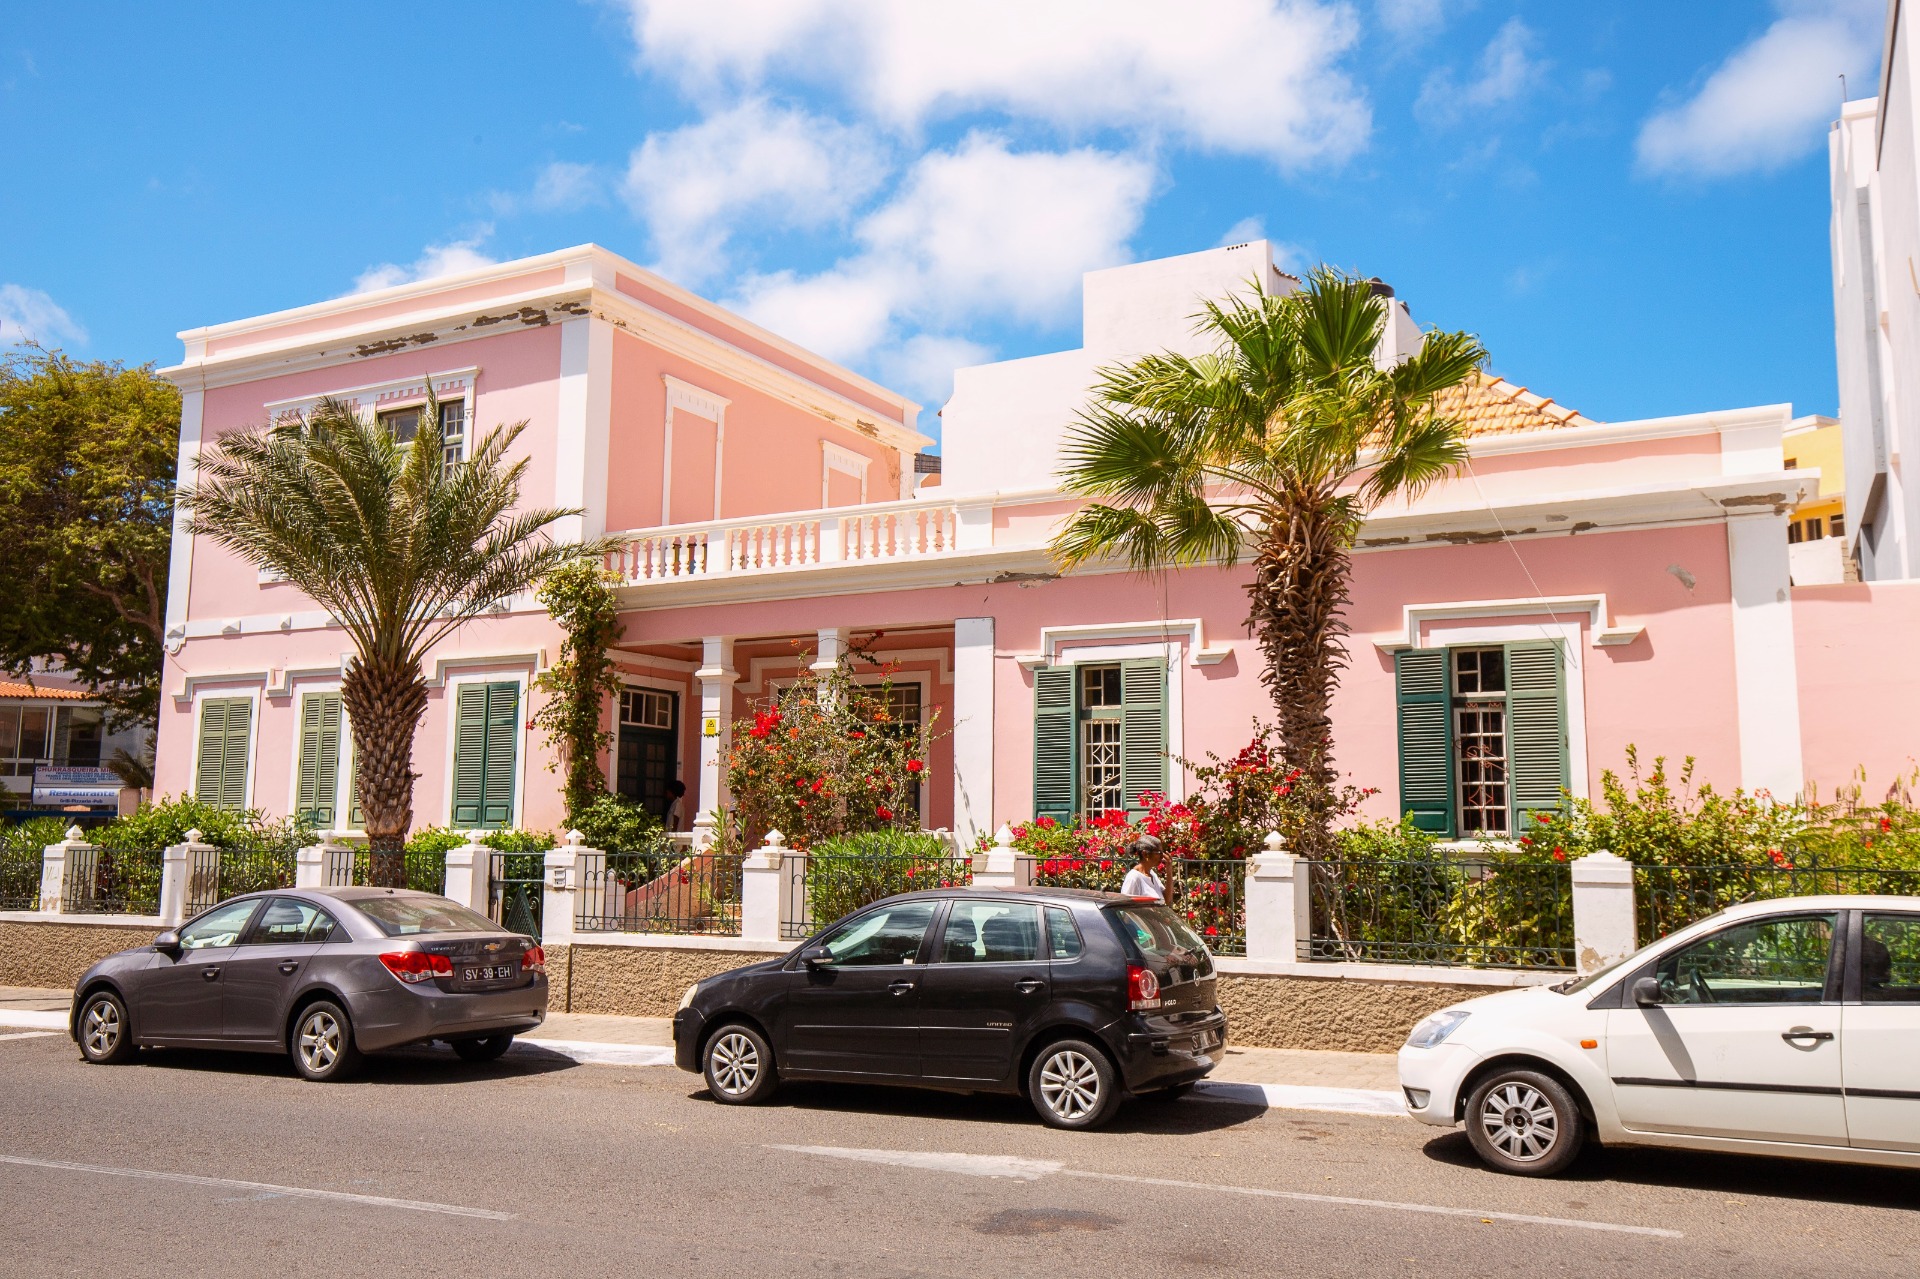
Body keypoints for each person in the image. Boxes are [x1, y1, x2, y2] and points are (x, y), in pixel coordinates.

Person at [1120, 834, 1166, 902]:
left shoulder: (1152, 874)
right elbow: (1126, 908)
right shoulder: (1134, 878)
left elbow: (1167, 900)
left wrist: (1169, 869)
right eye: (1158, 853)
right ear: (1145, 854)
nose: (1162, 856)